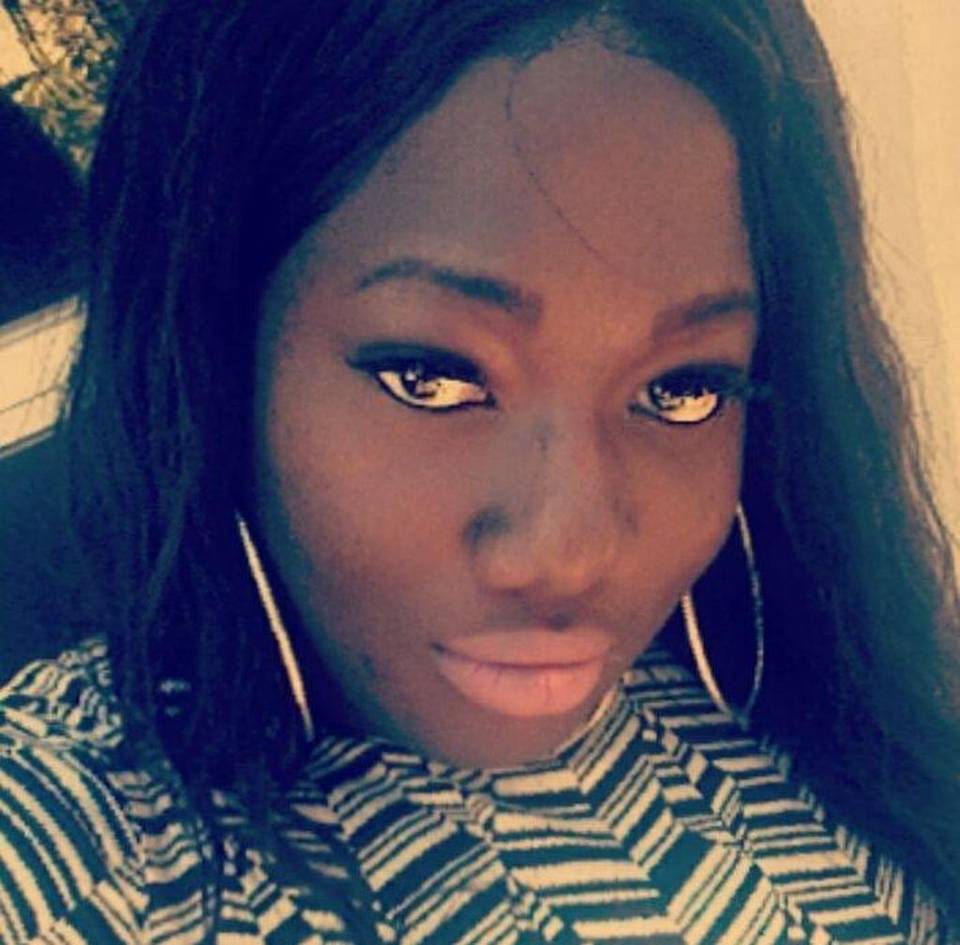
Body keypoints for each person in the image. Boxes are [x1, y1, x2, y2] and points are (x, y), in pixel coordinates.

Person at [1, 0, 958, 941]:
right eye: (432, 377)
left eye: (683, 389)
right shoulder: (86, 855)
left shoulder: (810, 699)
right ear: (211, 358)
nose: (567, 553)